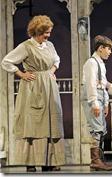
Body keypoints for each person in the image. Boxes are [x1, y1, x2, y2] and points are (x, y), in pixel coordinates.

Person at [1, 15, 65, 172]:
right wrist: (21, 74)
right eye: (46, 33)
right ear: (37, 31)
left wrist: (51, 71)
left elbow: (56, 60)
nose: (48, 35)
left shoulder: (49, 45)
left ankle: (48, 161)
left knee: (51, 122)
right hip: (33, 88)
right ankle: (31, 162)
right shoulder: (26, 46)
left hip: (49, 87)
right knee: (34, 124)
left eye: (49, 32)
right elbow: (6, 61)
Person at [81, 35, 112, 171]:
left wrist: (105, 103)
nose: (110, 52)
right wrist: (95, 103)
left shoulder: (100, 63)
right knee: (96, 129)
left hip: (100, 96)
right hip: (93, 97)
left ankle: (98, 160)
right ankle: (95, 161)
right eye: (108, 49)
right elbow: (90, 84)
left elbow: (102, 83)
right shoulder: (91, 63)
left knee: (101, 129)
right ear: (100, 48)